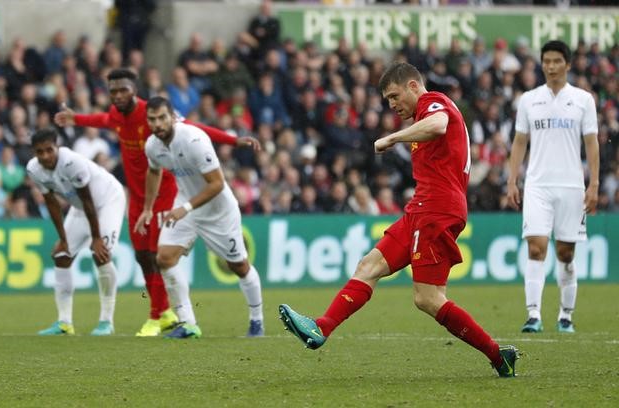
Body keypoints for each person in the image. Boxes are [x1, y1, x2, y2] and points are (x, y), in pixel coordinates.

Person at [278, 62, 518, 378]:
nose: (392, 105)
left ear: (413, 86)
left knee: (428, 298)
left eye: (394, 96)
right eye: (387, 100)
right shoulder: (420, 117)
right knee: (369, 266)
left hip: (437, 209)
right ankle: (321, 327)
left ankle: (497, 355)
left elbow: (439, 124)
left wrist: (392, 138)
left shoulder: (433, 102)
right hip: (420, 208)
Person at [54, 68, 259, 337]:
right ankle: (168, 315)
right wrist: (77, 119)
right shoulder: (123, 119)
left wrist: (232, 140)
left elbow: (195, 129)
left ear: (134, 90)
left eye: (122, 90)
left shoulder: (154, 115)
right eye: (113, 90)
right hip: (140, 196)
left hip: (170, 195)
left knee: (162, 255)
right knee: (144, 256)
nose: (117, 95)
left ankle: (162, 313)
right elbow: (105, 120)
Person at [134, 97, 264, 339]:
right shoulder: (152, 145)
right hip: (186, 206)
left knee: (239, 266)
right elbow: (154, 171)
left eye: (162, 117)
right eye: (152, 119)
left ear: (172, 117)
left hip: (217, 210)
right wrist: (148, 208)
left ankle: (257, 321)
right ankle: (188, 323)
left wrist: (185, 207)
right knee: (164, 258)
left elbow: (217, 184)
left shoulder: (193, 140)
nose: (157, 123)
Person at [507, 40, 599, 334]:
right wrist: (512, 179)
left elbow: (591, 143)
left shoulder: (584, 100)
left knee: (565, 253)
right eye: (546, 60)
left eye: (557, 60)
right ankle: (533, 314)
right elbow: (520, 141)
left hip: (571, 185)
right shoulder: (528, 100)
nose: (551, 66)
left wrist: (594, 183)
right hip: (537, 185)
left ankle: (566, 315)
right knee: (536, 247)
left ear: (568, 64)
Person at [26, 128, 126, 336]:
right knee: (62, 256)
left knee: (101, 255)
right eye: (39, 152)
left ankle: (106, 322)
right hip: (81, 207)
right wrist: (63, 239)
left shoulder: (72, 162)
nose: (45, 156)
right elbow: (51, 203)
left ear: (57, 146)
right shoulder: (34, 169)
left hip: (107, 201)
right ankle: (64, 323)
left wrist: (96, 238)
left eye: (49, 150)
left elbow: (89, 200)